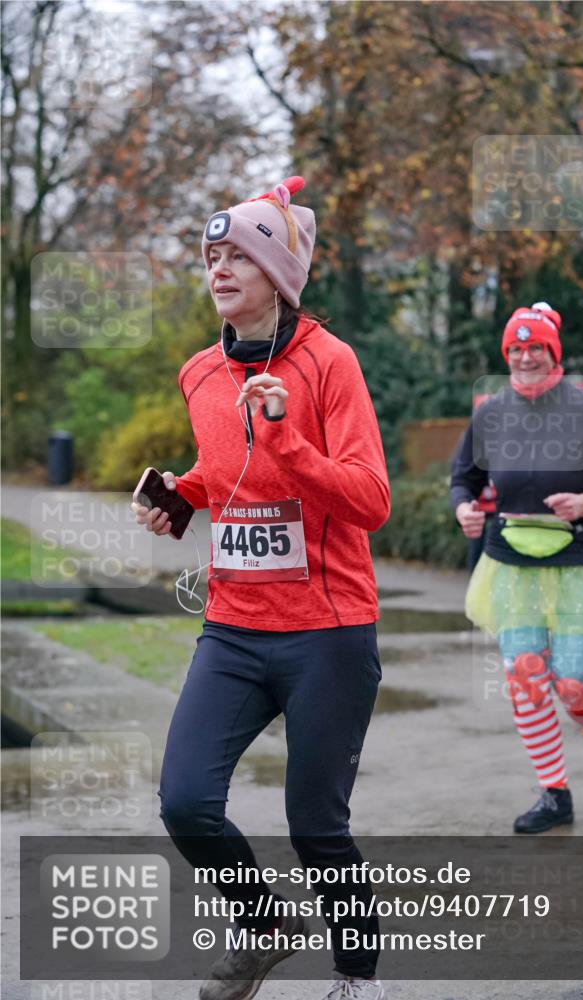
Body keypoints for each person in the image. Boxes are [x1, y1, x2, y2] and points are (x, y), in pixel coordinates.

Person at [132, 176, 390, 999]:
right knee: (184, 803)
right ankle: (264, 924)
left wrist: (291, 443)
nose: (220, 268)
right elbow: (225, 470)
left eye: (239, 253)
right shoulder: (199, 374)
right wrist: (181, 496)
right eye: (212, 256)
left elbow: (371, 501)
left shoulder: (328, 363)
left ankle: (357, 982)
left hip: (327, 633)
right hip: (235, 629)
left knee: (317, 828)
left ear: (277, 271)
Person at [451, 302, 583, 834]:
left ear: (552, 352)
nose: (524, 357)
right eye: (515, 349)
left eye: (535, 347)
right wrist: (464, 510)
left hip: (579, 562)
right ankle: (554, 793)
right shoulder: (490, 413)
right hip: (511, 564)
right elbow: (463, 479)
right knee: (525, 678)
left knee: (573, 682)